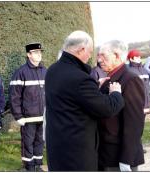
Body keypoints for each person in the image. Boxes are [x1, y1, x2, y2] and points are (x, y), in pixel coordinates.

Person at [45, 31, 124, 171]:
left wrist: (93, 88)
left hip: (57, 148)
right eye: (90, 52)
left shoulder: (53, 70)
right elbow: (106, 108)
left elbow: (71, 98)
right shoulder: (79, 78)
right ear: (81, 49)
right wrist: (116, 94)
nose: (91, 57)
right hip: (76, 155)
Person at [97, 40, 145, 171]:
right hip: (107, 153)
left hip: (118, 156)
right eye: (98, 55)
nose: (99, 60)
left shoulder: (130, 79)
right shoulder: (110, 78)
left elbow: (134, 123)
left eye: (103, 55)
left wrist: (126, 159)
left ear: (117, 56)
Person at [9, 43, 46, 171]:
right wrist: (18, 116)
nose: (39, 54)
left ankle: (38, 165)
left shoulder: (44, 71)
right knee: (28, 143)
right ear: (28, 54)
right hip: (28, 118)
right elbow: (14, 96)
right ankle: (28, 167)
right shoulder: (21, 72)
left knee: (40, 142)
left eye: (40, 52)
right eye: (36, 52)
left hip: (43, 117)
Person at [127, 49, 150, 115]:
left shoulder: (144, 70)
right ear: (131, 59)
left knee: (142, 123)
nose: (139, 58)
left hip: (146, 102)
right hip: (136, 103)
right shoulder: (129, 71)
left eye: (139, 56)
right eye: (136, 57)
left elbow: (147, 86)